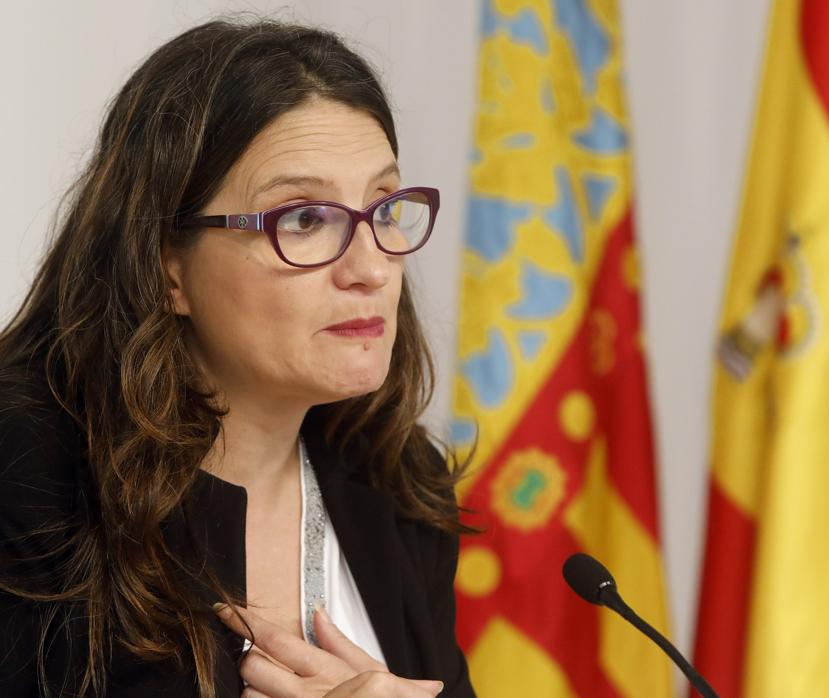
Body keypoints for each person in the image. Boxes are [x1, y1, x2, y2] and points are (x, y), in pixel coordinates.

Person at [0, 18, 475, 697]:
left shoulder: (396, 481)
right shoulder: (27, 476)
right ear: (167, 266)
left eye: (384, 208)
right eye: (305, 219)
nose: (371, 268)